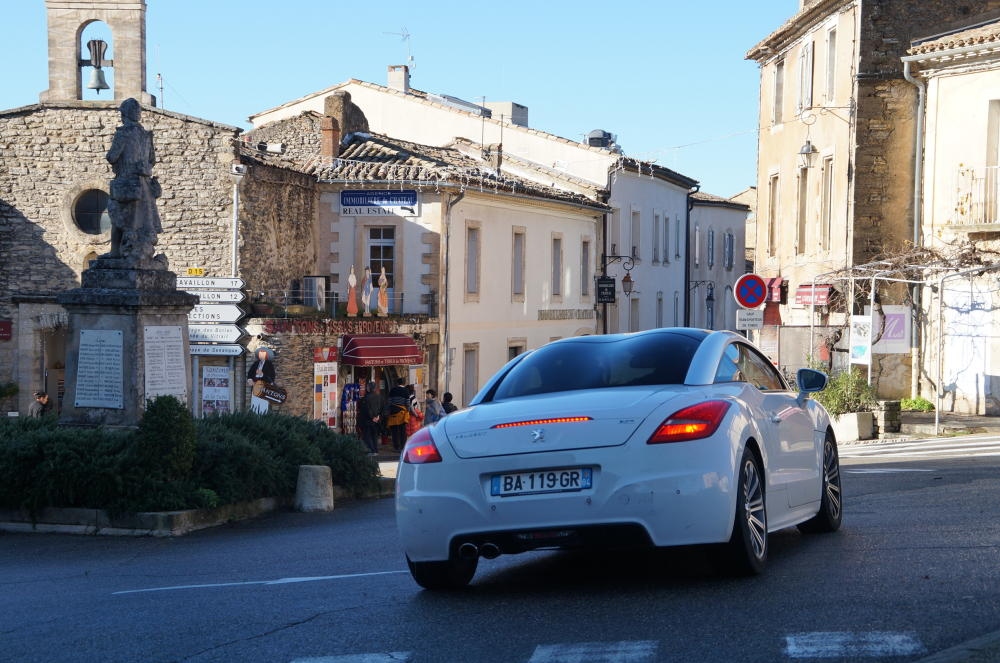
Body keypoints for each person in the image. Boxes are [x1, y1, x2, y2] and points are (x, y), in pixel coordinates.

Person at [104, 97, 164, 265]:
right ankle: (135, 252)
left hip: (126, 183)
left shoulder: (123, 133)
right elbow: (152, 159)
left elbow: (112, 156)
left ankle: (116, 252)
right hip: (144, 186)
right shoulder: (146, 135)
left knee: (118, 216)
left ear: (125, 115)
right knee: (141, 221)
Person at [246, 347, 276, 414]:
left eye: (263, 353)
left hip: (264, 386)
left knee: (263, 403)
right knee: (255, 402)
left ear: (266, 355)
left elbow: (271, 377)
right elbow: (250, 373)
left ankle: (263, 417)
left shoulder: (269, 365)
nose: (261, 354)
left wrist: (262, 375)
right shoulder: (256, 363)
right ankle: (254, 416)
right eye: (260, 353)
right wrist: (250, 379)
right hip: (255, 385)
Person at [357, 382, 383, 455]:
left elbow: (366, 409)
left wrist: (372, 417)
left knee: (367, 436)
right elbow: (382, 408)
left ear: (368, 388)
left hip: (368, 420)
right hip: (376, 420)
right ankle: (375, 450)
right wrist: (378, 416)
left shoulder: (365, 398)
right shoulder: (379, 397)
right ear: (374, 388)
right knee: (375, 436)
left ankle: (372, 450)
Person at [386, 378, 411, 451]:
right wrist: (408, 411)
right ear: (404, 383)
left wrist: (388, 411)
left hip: (393, 413)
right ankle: (402, 446)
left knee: (394, 431)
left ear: (397, 383)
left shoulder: (393, 390)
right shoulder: (406, 391)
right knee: (402, 431)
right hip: (402, 414)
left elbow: (389, 402)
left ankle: (396, 446)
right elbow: (408, 403)